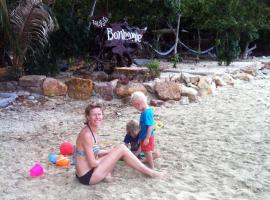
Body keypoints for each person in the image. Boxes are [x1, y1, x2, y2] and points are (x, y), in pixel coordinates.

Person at [74, 103, 163, 185]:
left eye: (99, 114)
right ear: (88, 116)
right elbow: (93, 163)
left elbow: (94, 152)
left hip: (84, 172)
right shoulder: (87, 135)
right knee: (121, 148)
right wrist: (110, 158)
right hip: (87, 176)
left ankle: (107, 175)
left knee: (118, 150)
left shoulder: (90, 129)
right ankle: (151, 173)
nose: (97, 117)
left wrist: (112, 152)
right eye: (94, 115)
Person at [130, 91, 160, 169]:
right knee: (146, 151)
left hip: (147, 137)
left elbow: (150, 126)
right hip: (144, 136)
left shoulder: (147, 113)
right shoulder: (144, 112)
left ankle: (151, 167)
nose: (136, 109)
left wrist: (147, 138)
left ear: (138, 104)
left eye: (135, 107)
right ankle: (147, 162)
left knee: (147, 152)